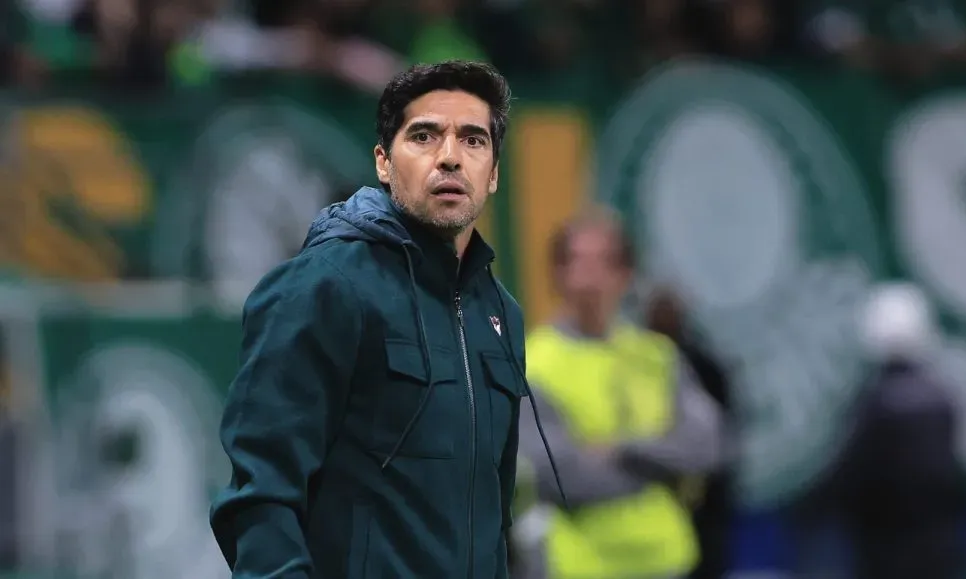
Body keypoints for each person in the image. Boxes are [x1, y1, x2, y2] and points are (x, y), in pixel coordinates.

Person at [210, 60, 547, 578]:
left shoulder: (501, 313)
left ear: (495, 172)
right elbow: (261, 498)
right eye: (425, 136)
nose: (451, 158)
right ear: (384, 163)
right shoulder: (322, 286)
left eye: (474, 141)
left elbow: (492, 517)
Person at [517, 207, 725, 579]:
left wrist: (622, 450)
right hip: (579, 566)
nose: (589, 278)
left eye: (603, 263)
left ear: (626, 274)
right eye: (577, 262)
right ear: (557, 274)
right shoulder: (535, 362)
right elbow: (555, 476)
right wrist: (662, 469)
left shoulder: (657, 356)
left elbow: (706, 446)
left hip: (667, 560)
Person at [798, 283, 966, 579]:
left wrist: (809, 509)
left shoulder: (878, 404)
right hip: (938, 546)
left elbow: (846, 474)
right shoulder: (944, 400)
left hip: (886, 549)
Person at [644, 289, 734, 579]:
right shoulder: (633, 363)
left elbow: (715, 442)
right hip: (649, 508)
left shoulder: (703, 366)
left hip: (702, 505)